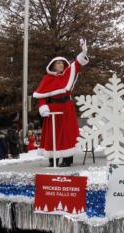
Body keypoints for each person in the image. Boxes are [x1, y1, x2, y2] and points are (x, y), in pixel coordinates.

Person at [33, 39, 89, 167]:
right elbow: (41, 95)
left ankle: (67, 159)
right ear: (53, 66)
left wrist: (83, 51)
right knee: (52, 133)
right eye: (58, 63)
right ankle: (53, 159)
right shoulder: (47, 79)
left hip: (66, 107)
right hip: (52, 108)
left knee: (67, 133)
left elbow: (77, 63)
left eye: (63, 63)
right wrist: (42, 106)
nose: (61, 65)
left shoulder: (68, 74)